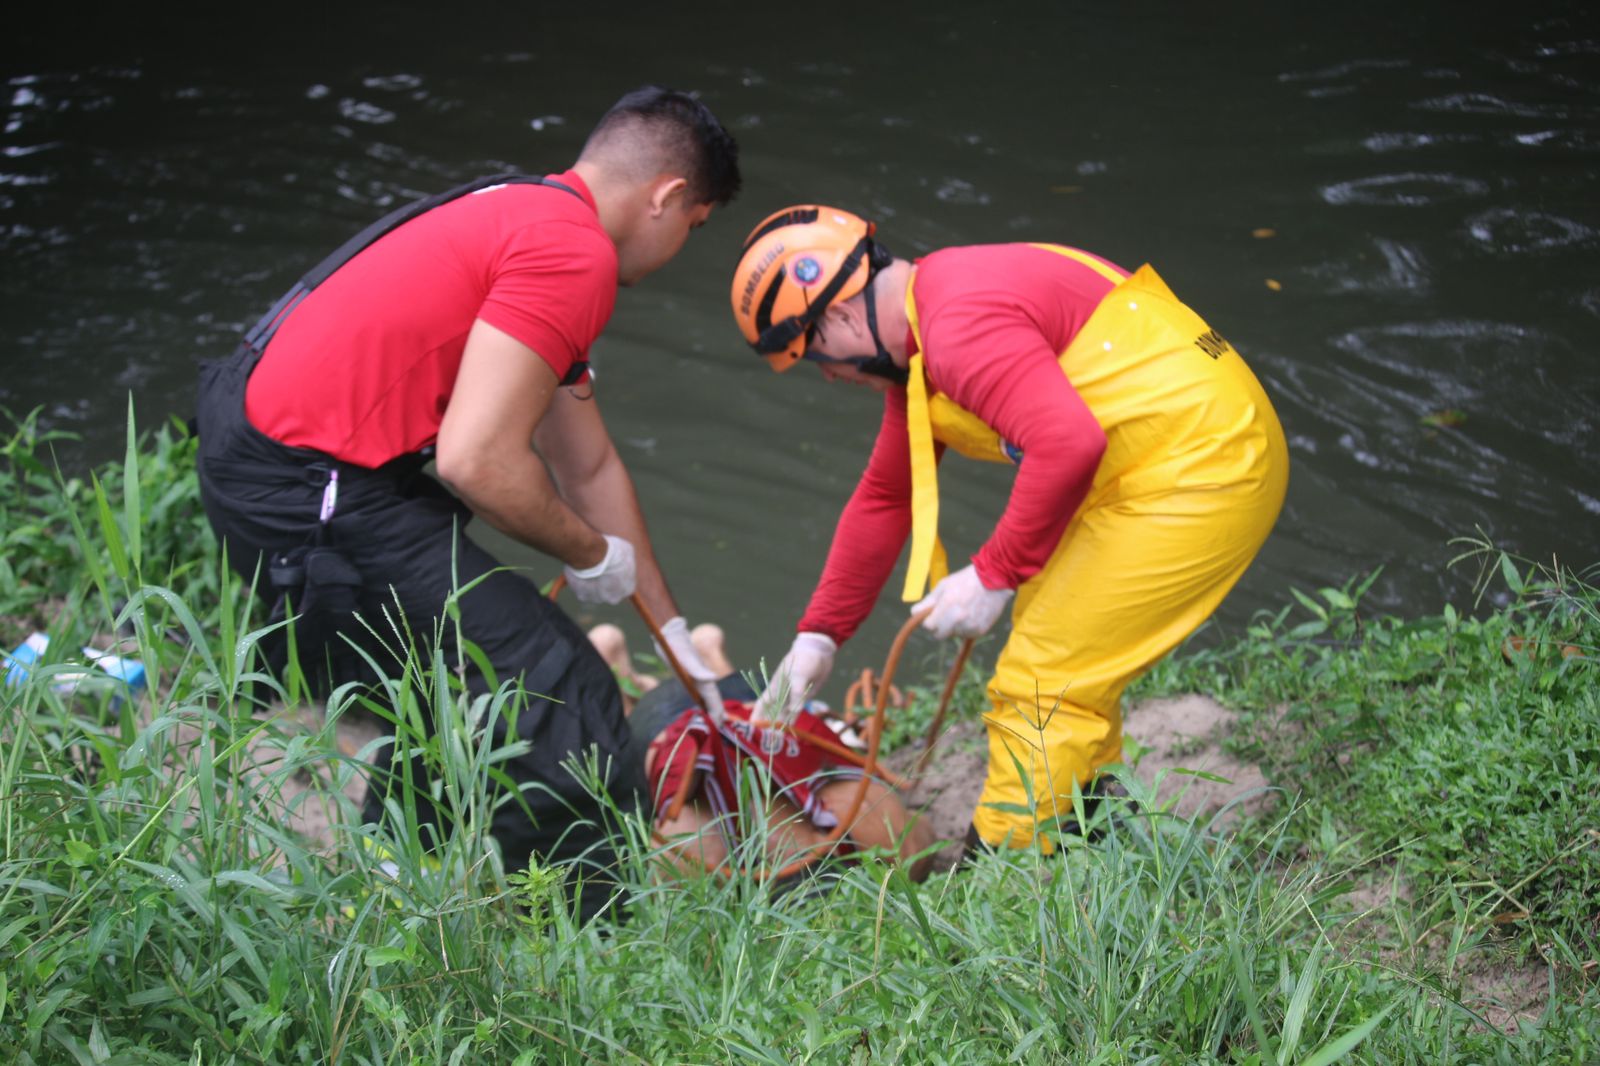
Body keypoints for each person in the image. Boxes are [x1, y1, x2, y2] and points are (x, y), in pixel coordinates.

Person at [195, 86, 740, 919]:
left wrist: (675, 641)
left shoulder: (524, 212)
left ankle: (385, 898)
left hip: (277, 454)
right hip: (306, 485)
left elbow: (588, 467)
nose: (679, 246)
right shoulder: (573, 257)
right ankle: (586, 947)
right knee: (559, 693)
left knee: (452, 684)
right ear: (668, 197)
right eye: (693, 227)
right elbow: (478, 461)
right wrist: (591, 556)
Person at [729, 206, 1288, 853]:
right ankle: (1084, 823)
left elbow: (1068, 444)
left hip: (1201, 465)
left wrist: (994, 572)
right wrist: (818, 638)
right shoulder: (934, 320)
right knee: (1058, 644)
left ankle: (1010, 874)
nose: (828, 375)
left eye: (812, 355)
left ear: (842, 316)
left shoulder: (957, 328)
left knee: (1041, 679)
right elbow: (886, 497)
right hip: (1161, 457)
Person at [589, 622, 935, 880]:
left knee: (734, 707)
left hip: (687, 726)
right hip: (704, 724)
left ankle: (640, 671)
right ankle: (704, 656)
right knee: (745, 704)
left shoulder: (689, 853)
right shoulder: (885, 829)